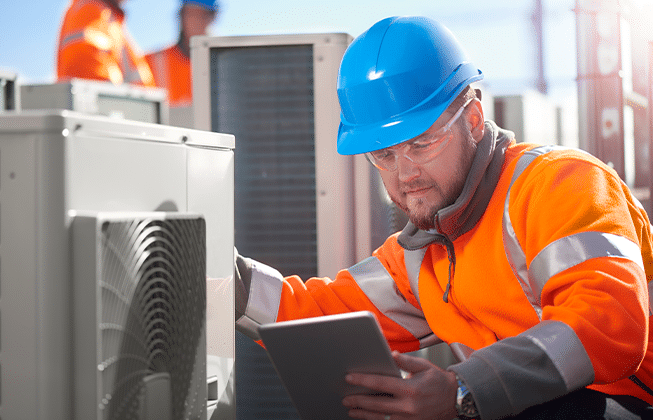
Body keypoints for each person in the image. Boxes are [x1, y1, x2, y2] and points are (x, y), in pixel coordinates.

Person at [234, 16, 653, 420]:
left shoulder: (561, 184)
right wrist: (224, 280)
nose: (405, 174)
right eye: (384, 154)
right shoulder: (420, 254)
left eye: (422, 143)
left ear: (472, 121)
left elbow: (608, 324)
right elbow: (315, 316)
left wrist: (463, 392)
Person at [56, 0, 155, 87]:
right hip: (115, 107)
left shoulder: (110, 19)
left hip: (133, 106)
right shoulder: (89, 8)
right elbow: (91, 82)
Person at [144, 0, 218, 107]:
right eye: (191, 14)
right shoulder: (150, 62)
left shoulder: (223, 64)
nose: (195, 22)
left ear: (212, 18)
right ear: (181, 16)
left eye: (202, 15)